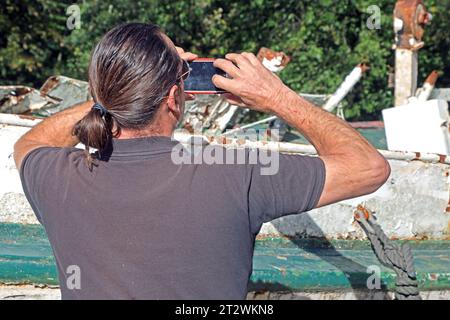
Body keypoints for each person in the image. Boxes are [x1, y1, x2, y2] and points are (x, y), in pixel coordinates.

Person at [14, 22, 390, 299]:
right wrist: (276, 96)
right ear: (176, 99)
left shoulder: (56, 177)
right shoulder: (234, 173)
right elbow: (367, 167)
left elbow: (30, 142)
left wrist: (116, 93)